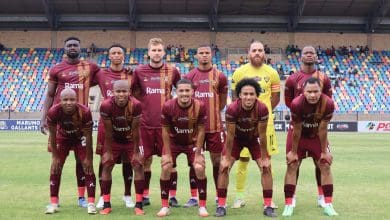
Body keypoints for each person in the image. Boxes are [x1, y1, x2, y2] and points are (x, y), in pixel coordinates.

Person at [40, 36, 100, 208]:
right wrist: (43, 118)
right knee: (57, 162)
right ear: (64, 48)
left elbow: (107, 77)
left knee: (83, 162)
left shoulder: (90, 67)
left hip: (82, 124)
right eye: (69, 45)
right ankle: (54, 201)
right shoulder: (56, 69)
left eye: (75, 45)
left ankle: (82, 198)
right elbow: (50, 95)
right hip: (61, 125)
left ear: (80, 48)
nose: (72, 47)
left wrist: (125, 71)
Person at [215, 78, 276, 217]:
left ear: (256, 95)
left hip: (254, 140)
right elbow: (230, 136)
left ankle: (268, 205)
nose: (248, 97)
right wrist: (226, 158)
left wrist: (265, 157)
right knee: (224, 168)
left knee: (266, 167)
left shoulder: (262, 108)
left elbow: (262, 135)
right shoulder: (232, 109)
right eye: (245, 94)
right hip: (236, 140)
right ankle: (221, 205)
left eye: (251, 94)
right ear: (239, 95)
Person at [230, 40, 280, 209]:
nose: (257, 53)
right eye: (254, 50)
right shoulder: (239, 72)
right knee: (242, 160)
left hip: (266, 126)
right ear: (248, 52)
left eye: (260, 50)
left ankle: (268, 199)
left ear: (264, 53)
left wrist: (263, 113)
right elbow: (235, 97)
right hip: (244, 126)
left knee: (266, 162)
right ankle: (239, 196)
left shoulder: (272, 73)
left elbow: (276, 98)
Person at [131, 38, 181, 206]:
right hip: (145, 125)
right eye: (154, 50)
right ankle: (144, 196)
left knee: (170, 162)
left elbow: (182, 91)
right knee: (146, 161)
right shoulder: (139, 71)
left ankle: (171, 196)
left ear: (164, 52)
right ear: (148, 52)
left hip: (166, 126)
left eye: (160, 50)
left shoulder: (172, 71)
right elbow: (133, 93)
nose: (157, 53)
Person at [282, 77, 338, 216]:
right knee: (292, 164)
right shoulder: (296, 103)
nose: (313, 95)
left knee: (325, 164)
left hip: (316, 136)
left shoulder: (329, 103)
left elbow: (323, 129)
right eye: (309, 92)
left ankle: (328, 204)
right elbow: (297, 129)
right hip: (298, 136)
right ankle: (289, 204)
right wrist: (294, 152)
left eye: (316, 91)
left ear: (321, 91)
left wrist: (324, 152)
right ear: (303, 92)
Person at [284, 45, 332, 207]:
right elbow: (289, 102)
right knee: (293, 163)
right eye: (306, 53)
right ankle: (292, 198)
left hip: (317, 129)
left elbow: (327, 101)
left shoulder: (324, 78)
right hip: (298, 127)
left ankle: (321, 198)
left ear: (316, 56)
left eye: (312, 53)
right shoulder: (293, 79)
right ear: (301, 56)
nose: (309, 55)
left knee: (322, 163)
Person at [157, 79, 208, 217]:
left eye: (187, 90)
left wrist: (198, 153)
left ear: (192, 91)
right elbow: (165, 131)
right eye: (181, 90)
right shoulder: (168, 106)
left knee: (199, 167)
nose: (184, 93)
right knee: (166, 166)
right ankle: (165, 206)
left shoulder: (200, 105)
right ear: (176, 92)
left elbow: (202, 130)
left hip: (192, 143)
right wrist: (167, 153)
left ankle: (202, 206)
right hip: (173, 143)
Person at [184, 45, 228, 207]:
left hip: (215, 127)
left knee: (217, 162)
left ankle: (219, 196)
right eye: (201, 53)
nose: (204, 56)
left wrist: (214, 112)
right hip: (195, 130)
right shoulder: (189, 76)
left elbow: (222, 102)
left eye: (207, 53)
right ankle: (194, 196)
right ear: (196, 56)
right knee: (194, 162)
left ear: (212, 55)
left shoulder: (220, 76)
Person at [93, 44, 136, 209]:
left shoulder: (132, 74)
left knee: (128, 159)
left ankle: (127, 195)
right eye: (113, 53)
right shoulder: (100, 74)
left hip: (127, 122)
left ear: (124, 56)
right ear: (109, 56)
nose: (117, 55)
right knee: (104, 161)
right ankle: (103, 196)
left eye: (119, 53)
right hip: (107, 122)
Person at [45, 89, 96, 214]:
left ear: (76, 100)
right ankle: (54, 203)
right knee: (55, 167)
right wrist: (55, 157)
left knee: (87, 167)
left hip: (80, 138)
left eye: (72, 99)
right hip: (63, 138)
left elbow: (88, 136)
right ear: (60, 100)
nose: (69, 102)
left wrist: (89, 158)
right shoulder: (53, 111)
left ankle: (90, 203)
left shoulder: (85, 111)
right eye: (65, 100)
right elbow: (52, 135)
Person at [99, 80, 145, 216]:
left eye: (124, 91)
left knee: (138, 165)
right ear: (113, 93)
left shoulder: (136, 105)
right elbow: (108, 131)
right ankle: (106, 204)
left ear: (129, 92)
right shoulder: (106, 105)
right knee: (106, 165)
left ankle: (139, 204)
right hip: (114, 140)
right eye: (118, 91)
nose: (121, 94)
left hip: (131, 139)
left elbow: (136, 130)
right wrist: (107, 151)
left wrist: (136, 151)